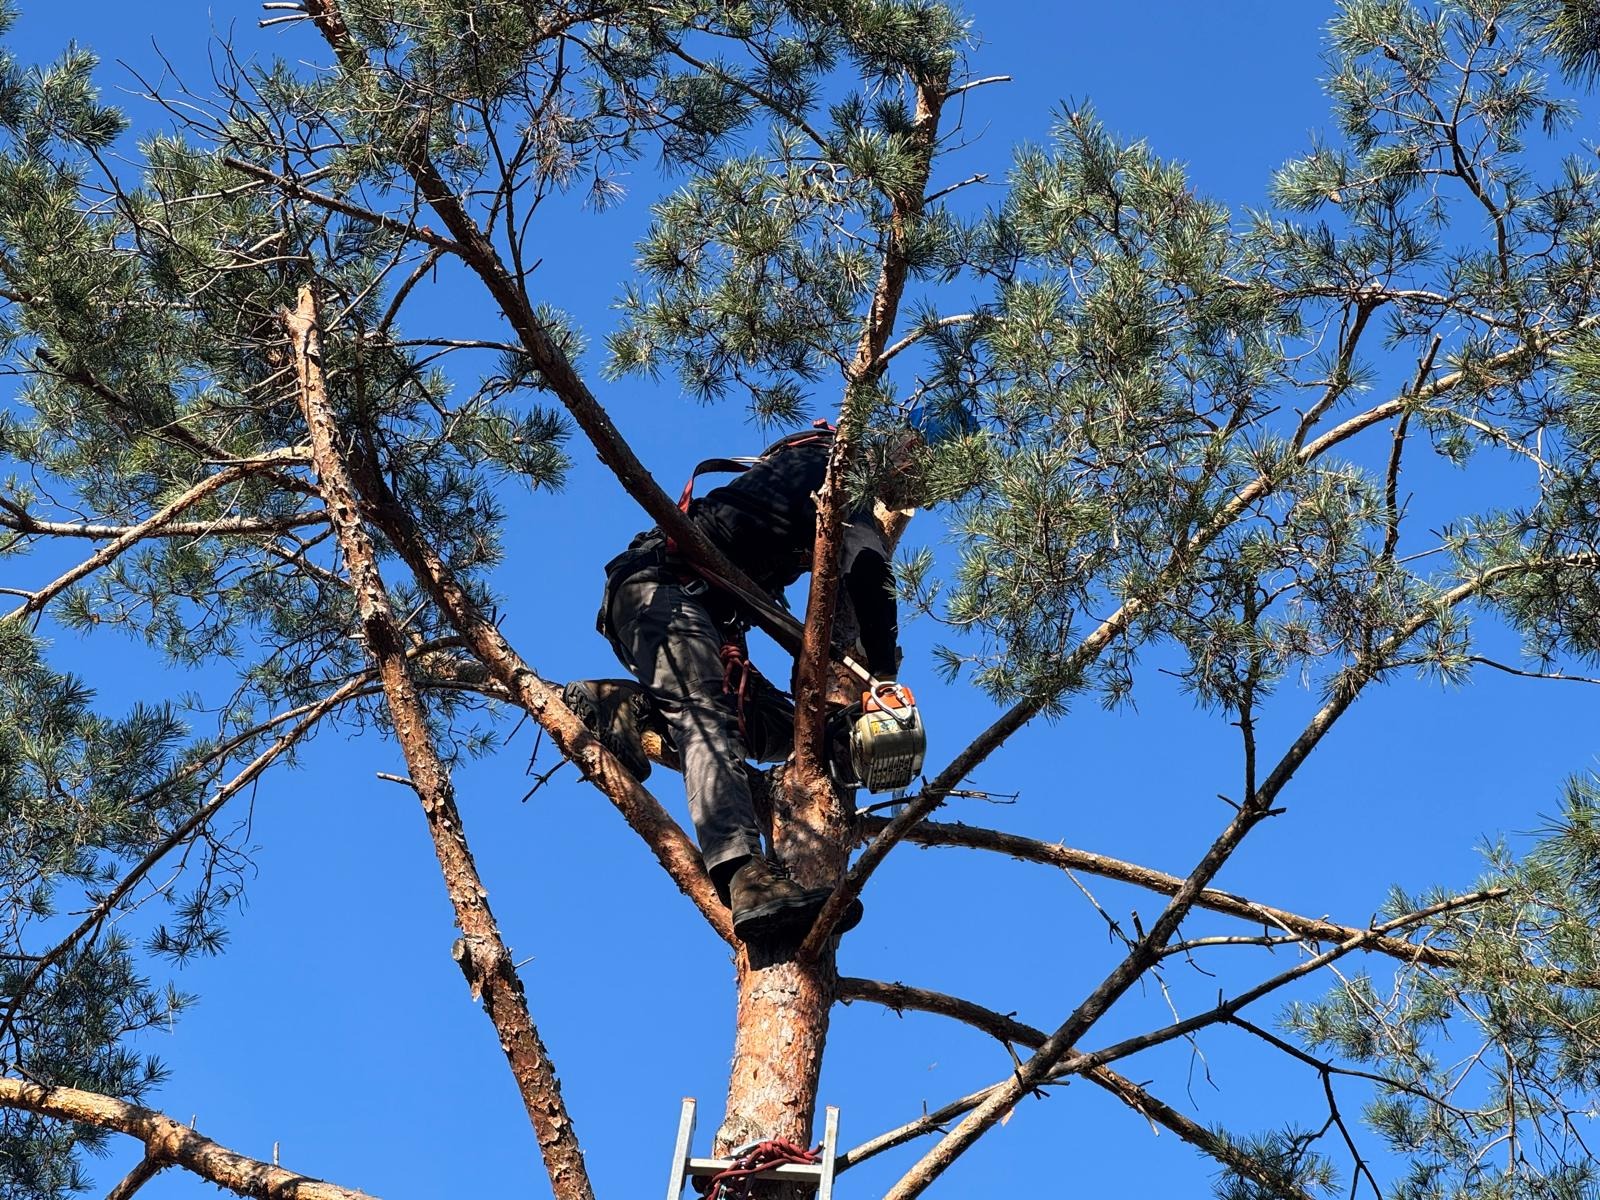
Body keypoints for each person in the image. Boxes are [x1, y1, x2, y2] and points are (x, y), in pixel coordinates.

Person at [565, 408, 970, 942]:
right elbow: (870, 575)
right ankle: (745, 876)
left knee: (782, 731)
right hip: (661, 590)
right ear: (910, 449)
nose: (924, 496)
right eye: (929, 478)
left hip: (694, 615)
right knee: (706, 716)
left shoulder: (822, 475)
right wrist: (884, 675)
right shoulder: (837, 474)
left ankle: (623, 704)